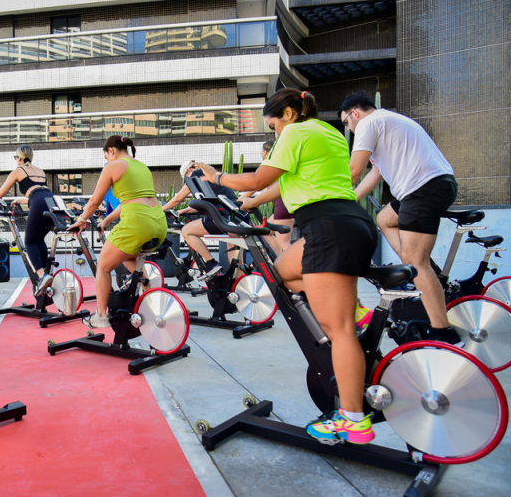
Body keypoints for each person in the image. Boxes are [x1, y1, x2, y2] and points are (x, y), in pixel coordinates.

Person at [198, 89, 379, 446]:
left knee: (339, 331)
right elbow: (282, 184)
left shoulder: (295, 132)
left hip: (326, 229)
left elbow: (258, 180)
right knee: (280, 271)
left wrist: (216, 177)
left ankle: (353, 420)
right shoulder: (328, 132)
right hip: (351, 223)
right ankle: (357, 313)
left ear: (289, 114)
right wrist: (247, 203)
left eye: (273, 125)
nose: (276, 133)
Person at [341, 92, 462, 347]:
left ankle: (444, 333)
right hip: (431, 185)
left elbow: (354, 171)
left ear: (355, 113)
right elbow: (375, 174)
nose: (349, 128)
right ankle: (419, 271)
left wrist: (329, 198)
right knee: (385, 218)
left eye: (346, 122)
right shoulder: (387, 121)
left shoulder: (368, 123)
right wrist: (349, 199)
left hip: (423, 189)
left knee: (416, 260)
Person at [66, 135, 167, 328]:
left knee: (103, 266)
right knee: (128, 256)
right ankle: (150, 299)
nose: (107, 160)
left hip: (137, 225)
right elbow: (133, 201)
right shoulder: (142, 167)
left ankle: (101, 315)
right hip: (159, 223)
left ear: (110, 151)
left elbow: (95, 201)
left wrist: (81, 220)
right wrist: (107, 220)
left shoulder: (112, 166)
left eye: (106, 156)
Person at [0, 146, 55, 297]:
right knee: (39, 240)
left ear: (19, 158)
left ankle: (42, 276)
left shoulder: (18, 171)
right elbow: (39, 192)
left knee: (29, 242)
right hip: (51, 201)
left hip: (38, 201)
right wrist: (21, 200)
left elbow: (0, 194)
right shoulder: (40, 171)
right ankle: (45, 275)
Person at [161, 160, 238, 279]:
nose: (187, 184)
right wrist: (185, 210)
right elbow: (207, 203)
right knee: (235, 255)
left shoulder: (195, 174)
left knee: (187, 231)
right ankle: (240, 282)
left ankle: (211, 264)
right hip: (235, 215)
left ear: (188, 171)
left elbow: (178, 198)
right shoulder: (208, 175)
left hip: (222, 218)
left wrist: (160, 210)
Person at [238, 140, 295, 253]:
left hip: (282, 205)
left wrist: (246, 199)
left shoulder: (270, 166)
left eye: (261, 151)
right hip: (283, 204)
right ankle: (280, 260)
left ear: (265, 152)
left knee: (284, 243)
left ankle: (293, 263)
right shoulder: (278, 164)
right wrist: (246, 198)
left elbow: (258, 185)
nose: (261, 153)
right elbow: (267, 188)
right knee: (266, 232)